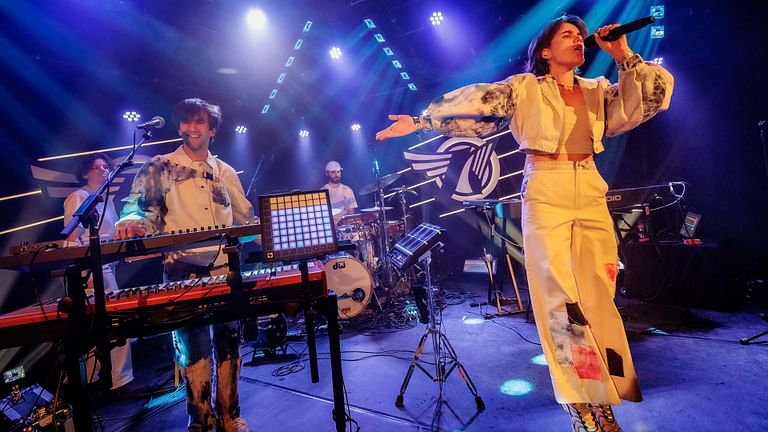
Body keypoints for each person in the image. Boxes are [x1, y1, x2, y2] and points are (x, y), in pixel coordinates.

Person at [376, 15, 673, 432]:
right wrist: (423, 121)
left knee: (599, 293)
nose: (578, 39)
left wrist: (623, 54)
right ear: (546, 51)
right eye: (567, 35)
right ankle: (581, 402)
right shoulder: (525, 88)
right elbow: (479, 102)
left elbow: (650, 99)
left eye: (580, 35)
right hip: (546, 186)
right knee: (559, 298)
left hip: (590, 185)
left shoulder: (597, 90)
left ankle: (603, 393)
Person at [115, 98, 254, 432]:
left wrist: (262, 225)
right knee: (193, 350)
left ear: (212, 130)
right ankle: (200, 422)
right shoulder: (161, 166)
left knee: (229, 345)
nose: (193, 128)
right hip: (182, 271)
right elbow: (136, 209)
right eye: (187, 121)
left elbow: (245, 218)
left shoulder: (226, 171)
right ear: (179, 126)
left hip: (225, 269)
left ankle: (231, 416)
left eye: (200, 122)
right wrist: (131, 221)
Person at [63, 153, 135, 392]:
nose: (103, 171)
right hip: (91, 268)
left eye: (106, 167)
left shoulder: (106, 200)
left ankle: (99, 378)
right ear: (85, 172)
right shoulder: (79, 197)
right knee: (115, 319)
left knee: (99, 324)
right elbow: (71, 239)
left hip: (107, 265)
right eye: (97, 167)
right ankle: (118, 380)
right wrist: (86, 273)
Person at [322, 160, 358, 224]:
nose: (336, 175)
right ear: (327, 173)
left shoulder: (347, 190)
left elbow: (351, 214)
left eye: (338, 172)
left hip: (345, 227)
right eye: (333, 172)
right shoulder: (323, 192)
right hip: (329, 226)